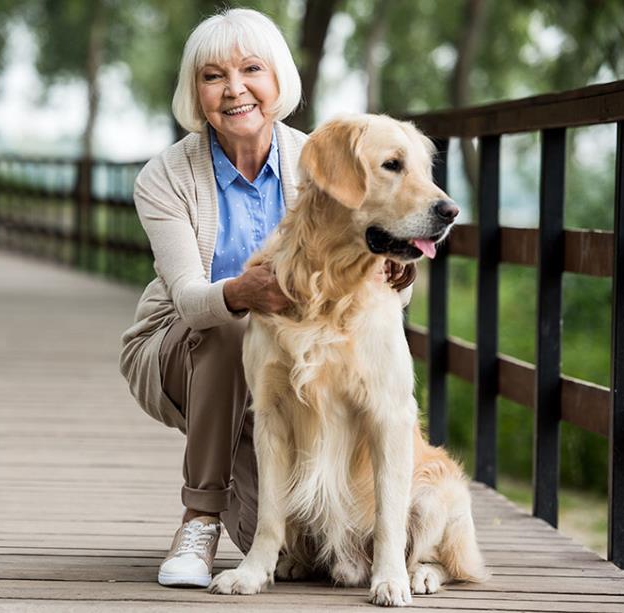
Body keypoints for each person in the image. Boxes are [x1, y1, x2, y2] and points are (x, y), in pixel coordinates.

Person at [118, 8, 415, 588]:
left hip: (291, 360)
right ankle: (199, 519)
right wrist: (242, 292)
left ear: (278, 79)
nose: (234, 90)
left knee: (304, 554)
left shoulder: (322, 160)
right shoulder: (164, 178)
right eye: (212, 76)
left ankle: (373, 541)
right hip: (183, 345)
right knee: (232, 326)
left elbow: (365, 263)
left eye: (251, 69)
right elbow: (187, 301)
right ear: (195, 93)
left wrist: (396, 271)